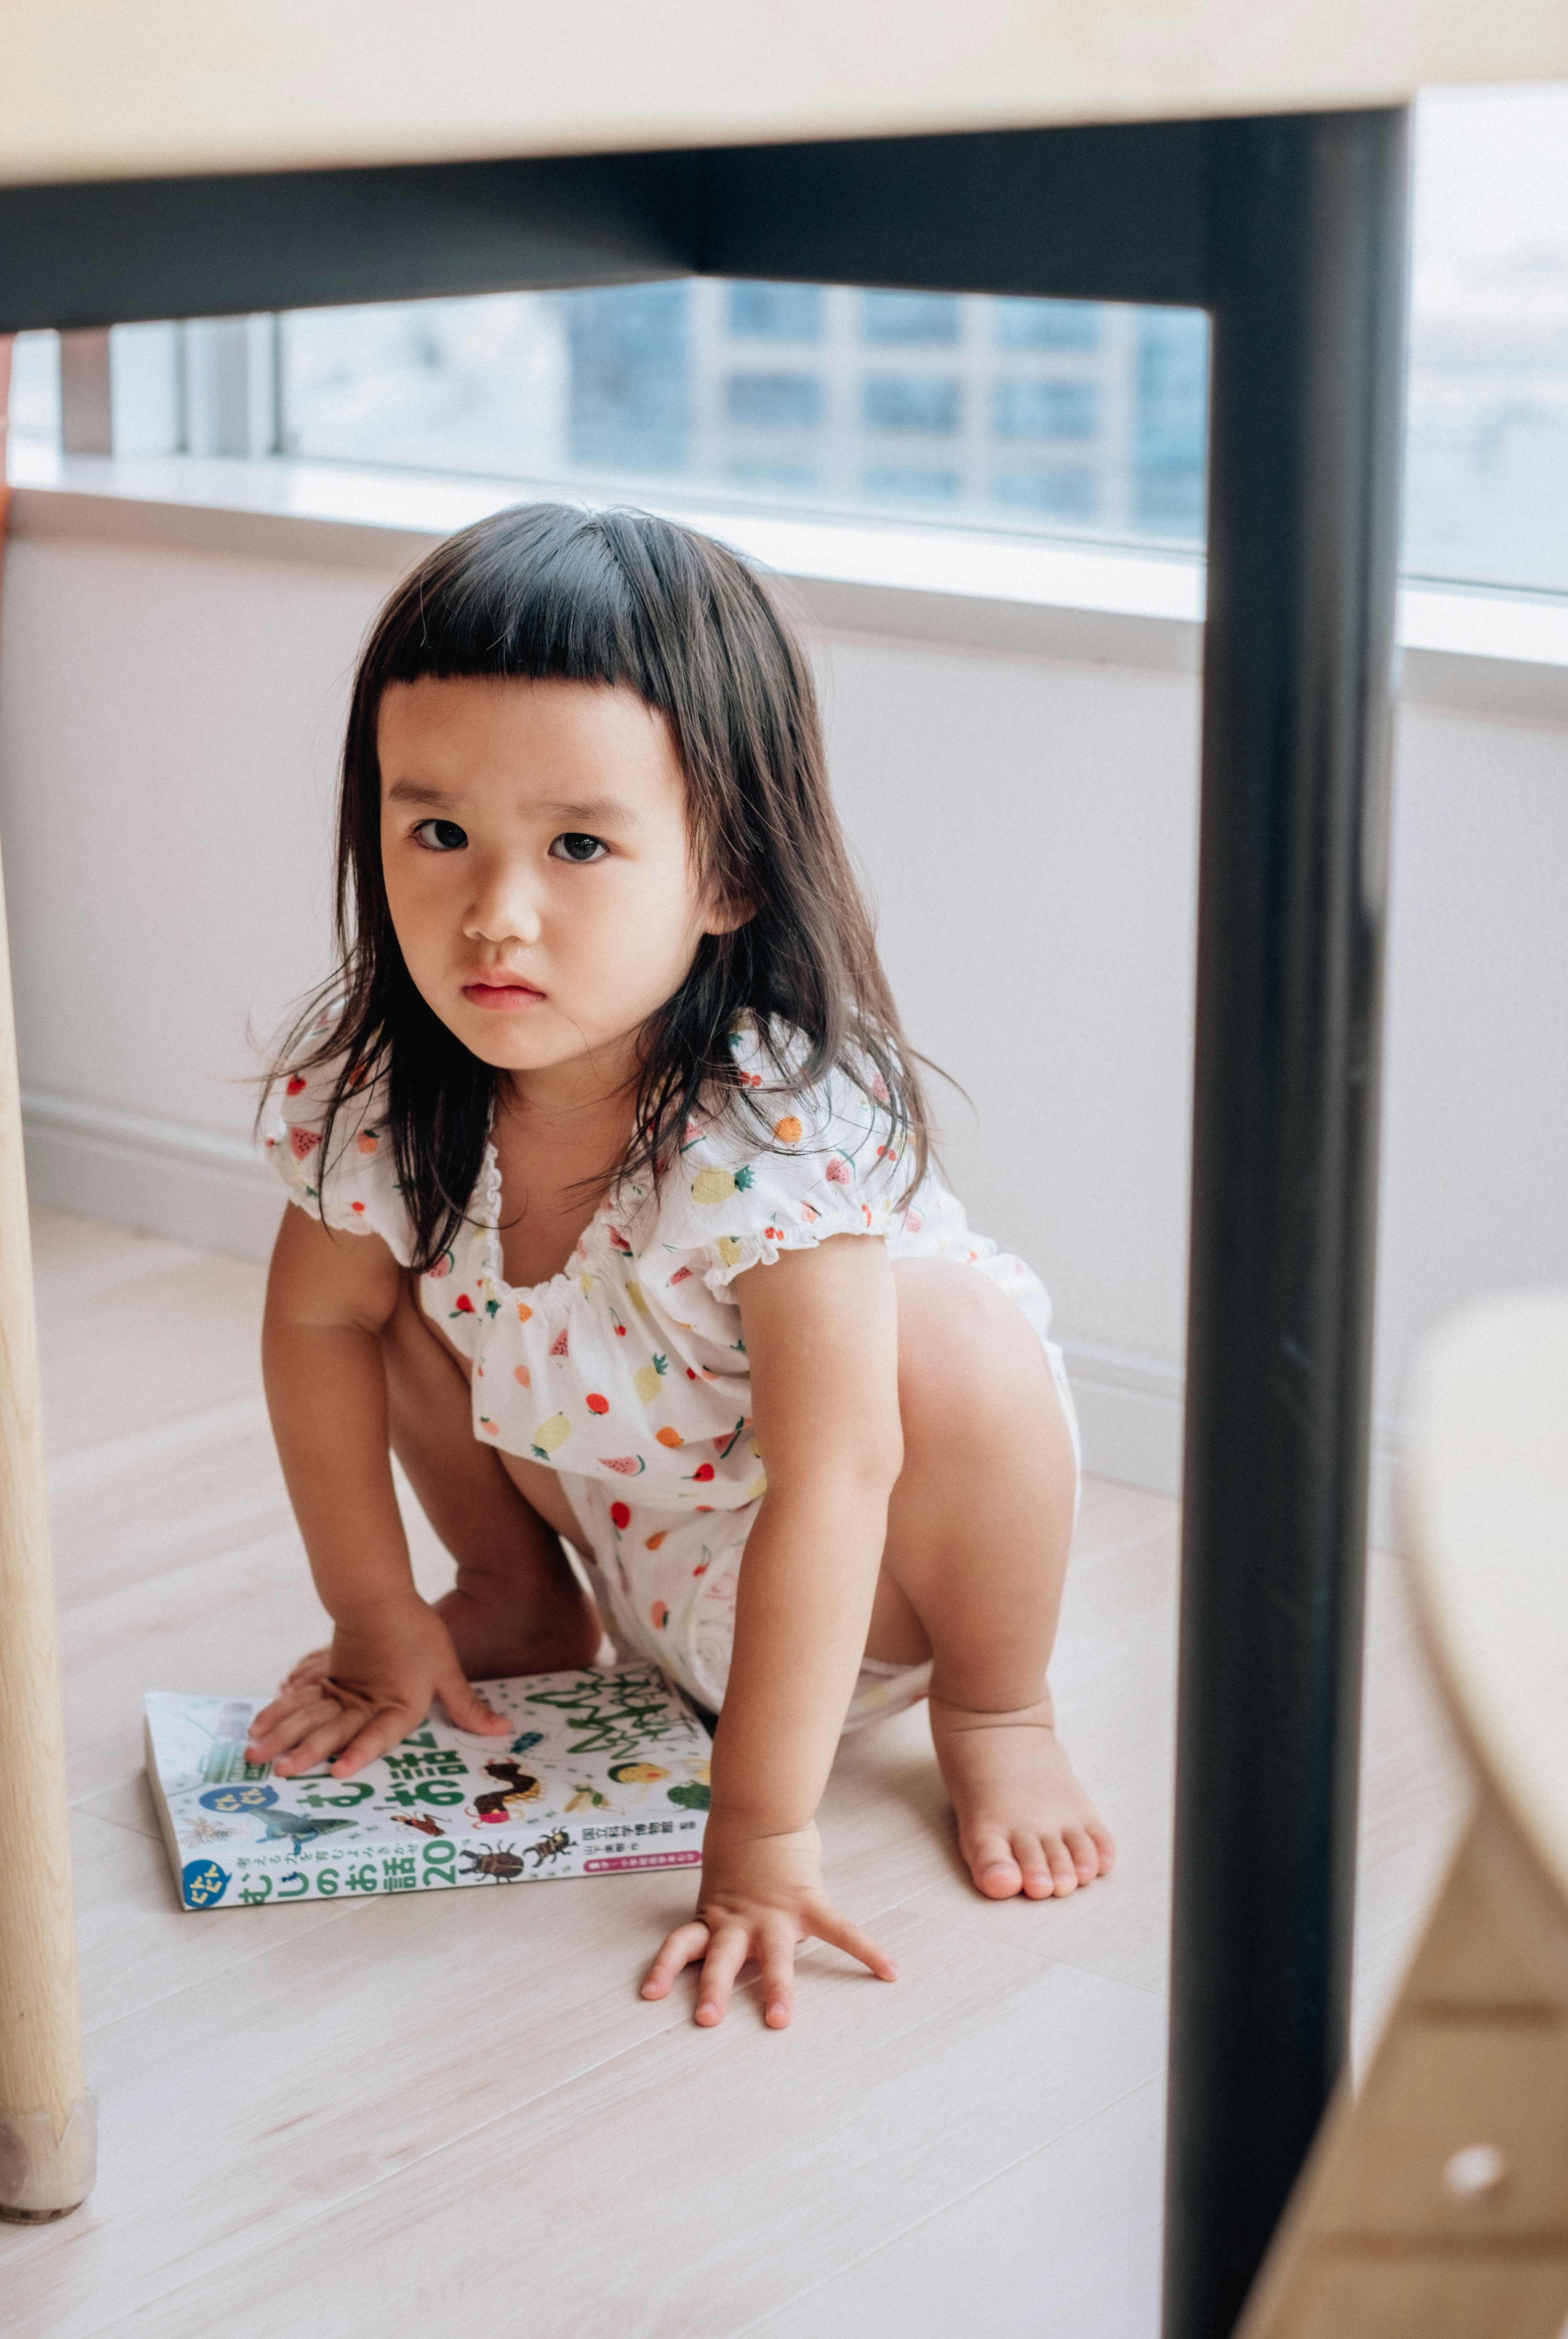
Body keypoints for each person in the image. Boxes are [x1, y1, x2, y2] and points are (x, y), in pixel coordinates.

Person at [247, 500, 1114, 2030]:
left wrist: (759, 1837)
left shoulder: (771, 1131)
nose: (492, 913)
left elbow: (843, 1477)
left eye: (580, 845)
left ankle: (1002, 1704)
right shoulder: (382, 1090)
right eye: (435, 831)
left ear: (726, 879)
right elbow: (314, 1330)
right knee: (372, 1293)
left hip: (850, 1588)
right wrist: (377, 1614)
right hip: (620, 1523)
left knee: (954, 1337)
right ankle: (513, 1602)